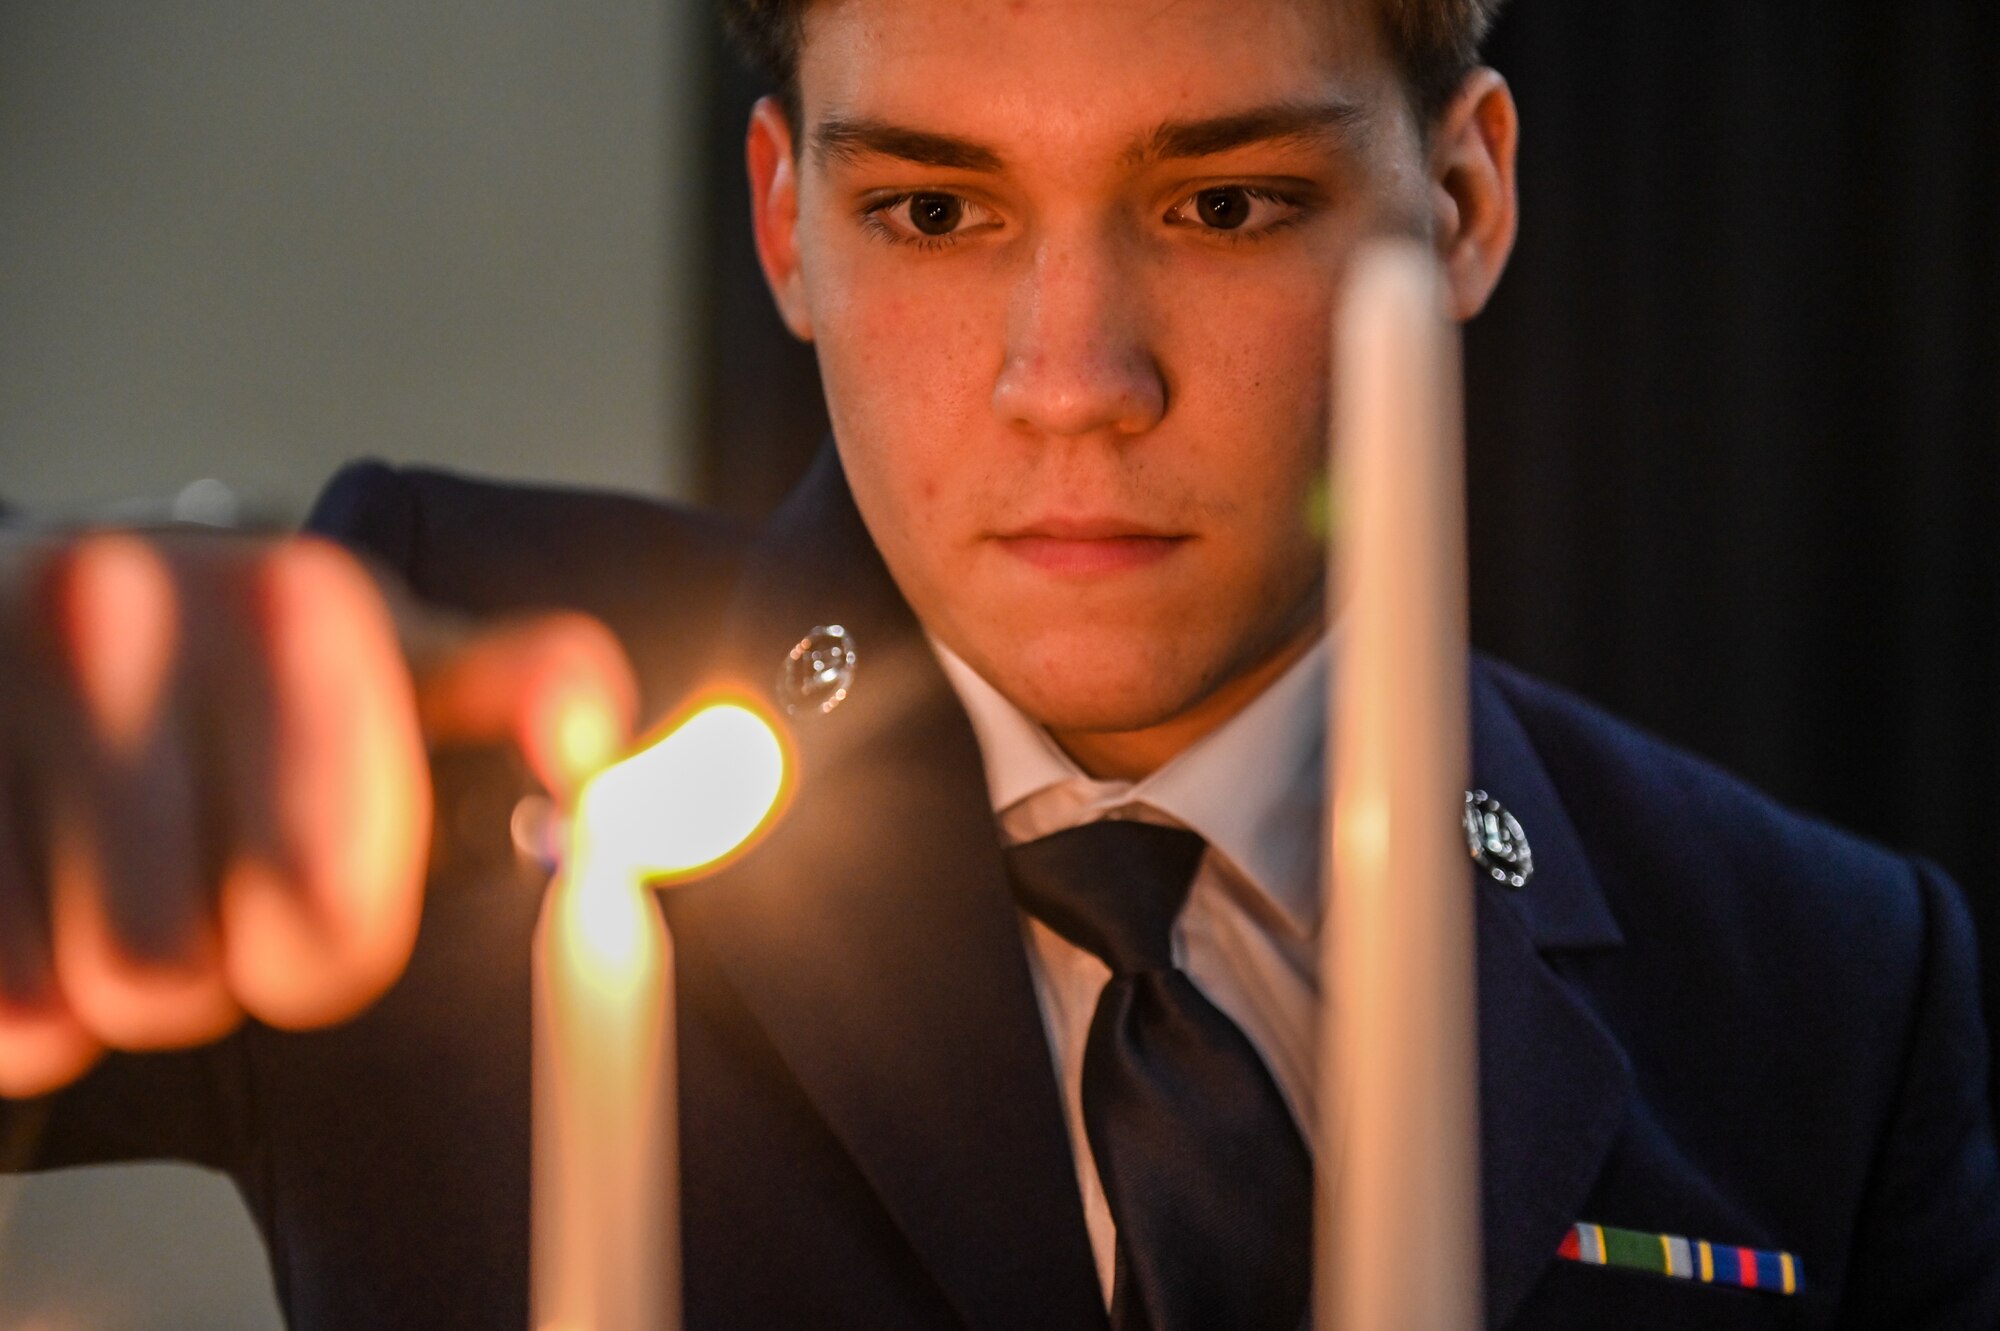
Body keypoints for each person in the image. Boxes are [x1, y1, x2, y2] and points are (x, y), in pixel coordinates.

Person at [2, 0, 1997, 1326]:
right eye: (935, 209)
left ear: (1464, 201)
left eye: (1225, 202)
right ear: (786, 221)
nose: (1073, 385)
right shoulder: (437, 728)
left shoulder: (1826, 985)